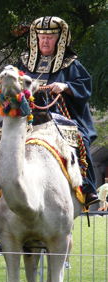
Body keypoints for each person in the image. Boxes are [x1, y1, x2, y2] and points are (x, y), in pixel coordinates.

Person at [17, 16, 99, 206]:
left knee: (81, 139)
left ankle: (87, 187)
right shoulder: (24, 62)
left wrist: (65, 86)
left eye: (50, 37)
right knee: (1, 132)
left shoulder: (71, 64)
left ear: (60, 39)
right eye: (41, 37)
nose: (45, 41)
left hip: (60, 117)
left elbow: (85, 86)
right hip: (27, 117)